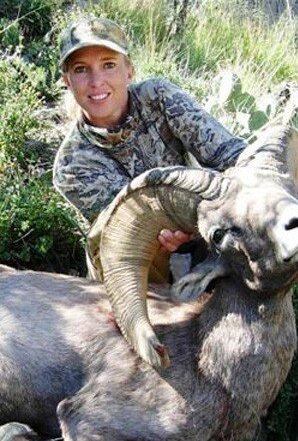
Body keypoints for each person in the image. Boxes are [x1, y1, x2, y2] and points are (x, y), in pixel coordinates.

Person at [53, 17, 247, 262]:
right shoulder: (71, 165)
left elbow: (230, 154)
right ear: (67, 82)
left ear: (129, 70)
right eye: (81, 69)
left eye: (109, 64)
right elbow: (132, 219)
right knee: (117, 236)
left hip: (204, 222)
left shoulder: (158, 96)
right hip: (142, 257)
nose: (96, 81)